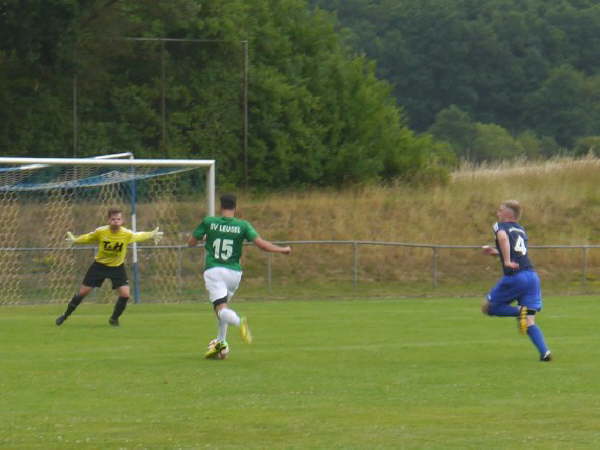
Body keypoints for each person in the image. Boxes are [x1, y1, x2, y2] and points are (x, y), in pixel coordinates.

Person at [188, 193, 291, 359]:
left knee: (221, 310)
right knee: (222, 308)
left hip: (214, 270)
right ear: (235, 208)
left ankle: (239, 322)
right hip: (234, 274)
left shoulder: (209, 222)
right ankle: (221, 344)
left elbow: (191, 242)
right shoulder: (243, 225)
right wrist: (282, 250)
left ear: (220, 207)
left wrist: (205, 237)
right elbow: (262, 245)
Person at [55, 208, 163, 327]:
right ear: (108, 220)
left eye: (118, 219)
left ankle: (114, 319)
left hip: (117, 267)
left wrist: (151, 234)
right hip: (99, 266)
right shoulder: (101, 232)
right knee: (83, 292)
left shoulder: (126, 234)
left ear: (122, 221)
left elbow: (139, 235)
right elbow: (88, 237)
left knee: (125, 295)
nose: (116, 221)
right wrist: (75, 240)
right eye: (113, 219)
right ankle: (65, 316)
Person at [481, 200, 551, 362]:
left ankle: (519, 311)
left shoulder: (500, 226)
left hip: (516, 277)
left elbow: (503, 238)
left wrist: (505, 260)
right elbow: (517, 252)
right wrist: (496, 252)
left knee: (489, 307)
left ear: (507, 214)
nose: (497, 213)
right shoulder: (521, 229)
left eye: (500, 210)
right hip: (532, 277)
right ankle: (545, 352)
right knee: (529, 321)